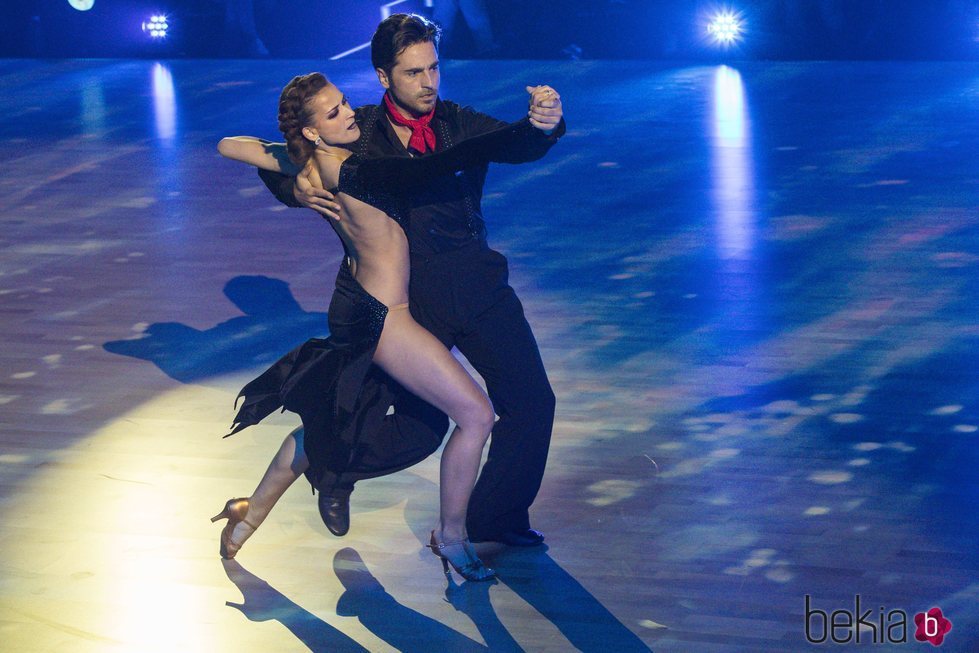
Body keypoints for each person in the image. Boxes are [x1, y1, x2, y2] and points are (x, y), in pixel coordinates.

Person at [213, 71, 558, 581]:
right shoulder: (356, 172)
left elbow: (230, 145)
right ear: (311, 131)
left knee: (336, 421)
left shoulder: (309, 161)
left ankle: (251, 511)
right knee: (477, 416)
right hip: (382, 316)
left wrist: (294, 180)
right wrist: (526, 127)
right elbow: (445, 162)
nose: (349, 113)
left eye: (345, 103)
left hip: (361, 305)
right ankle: (454, 538)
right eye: (333, 113)